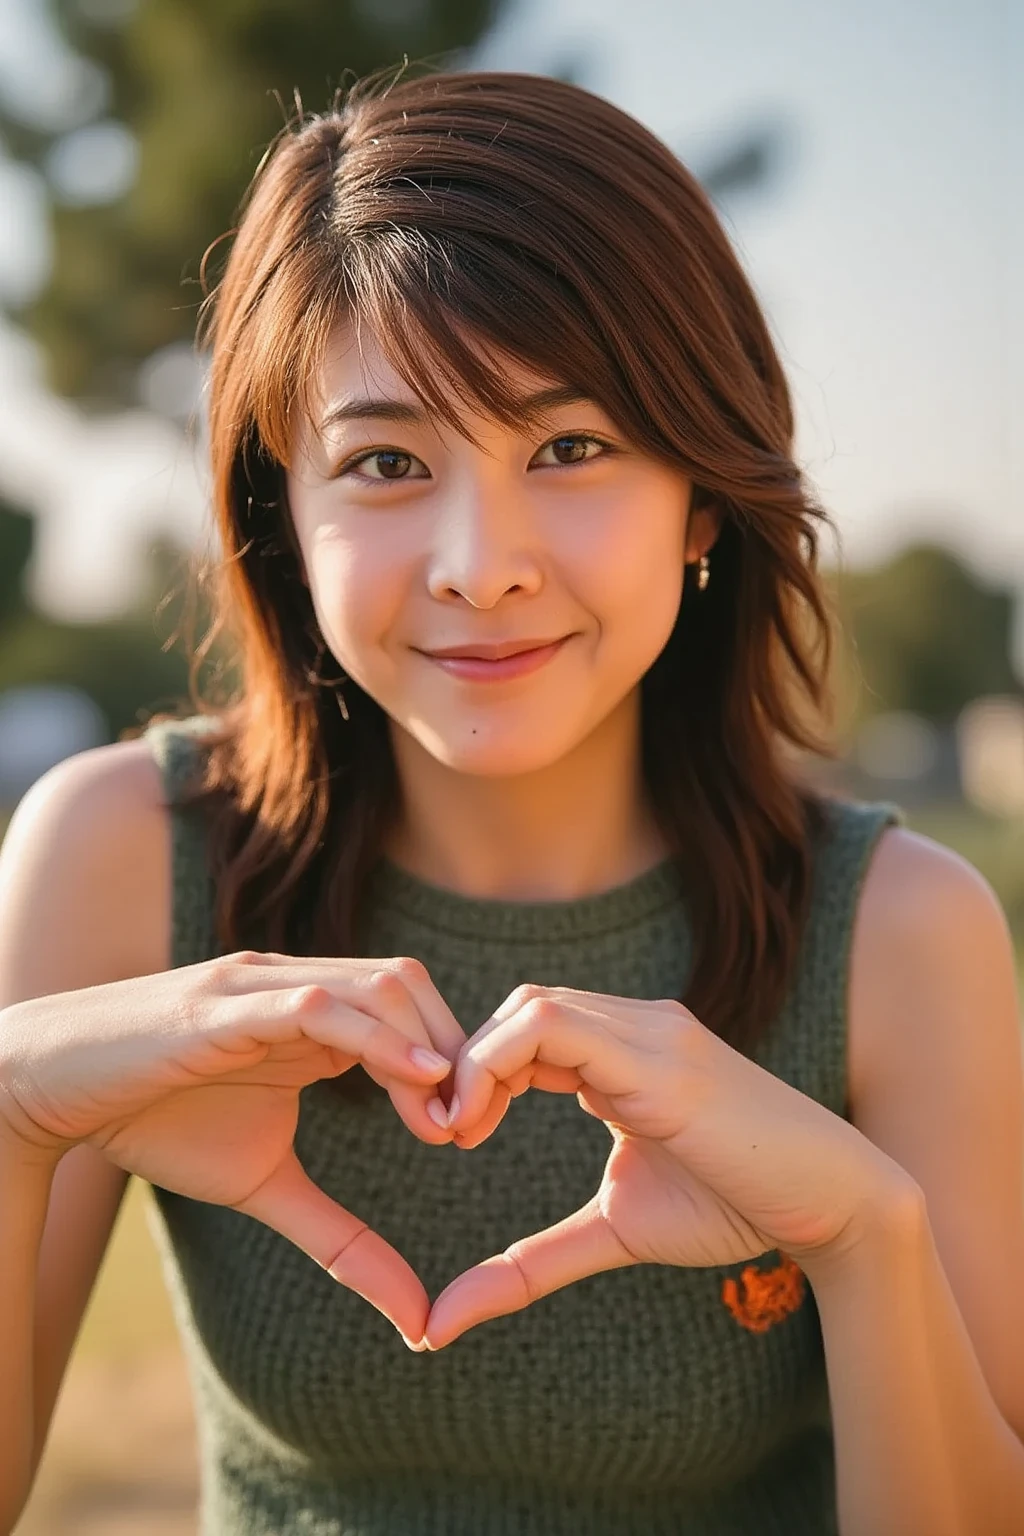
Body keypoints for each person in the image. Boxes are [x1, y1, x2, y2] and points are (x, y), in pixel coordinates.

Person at [0, 64, 1022, 1536]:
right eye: (387, 462)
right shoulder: (123, 856)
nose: (482, 561)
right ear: (277, 512)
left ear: (703, 496)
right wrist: (22, 1107)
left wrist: (865, 1234)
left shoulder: (899, 930)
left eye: (570, 447)